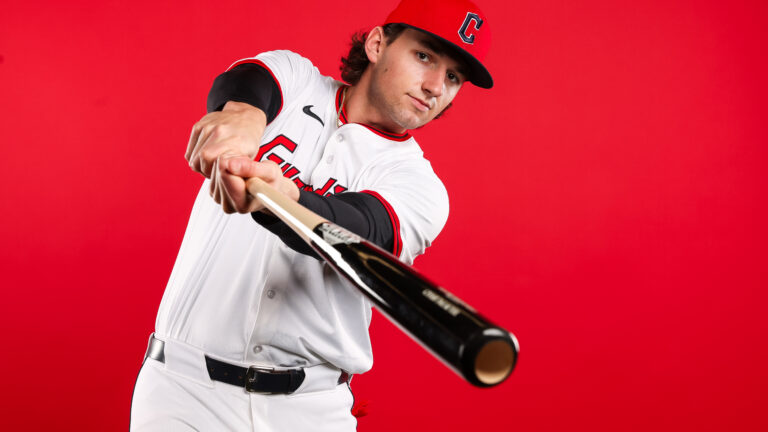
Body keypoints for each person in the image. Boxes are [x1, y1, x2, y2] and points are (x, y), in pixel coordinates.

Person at [130, 0, 493, 430]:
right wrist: (240, 120)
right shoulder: (297, 80)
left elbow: (362, 231)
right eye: (424, 56)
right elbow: (249, 84)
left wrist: (280, 199)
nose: (435, 86)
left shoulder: (421, 187)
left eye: (453, 77)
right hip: (182, 391)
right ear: (377, 44)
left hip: (309, 409)